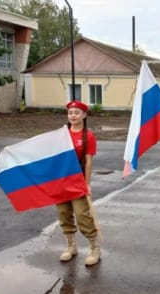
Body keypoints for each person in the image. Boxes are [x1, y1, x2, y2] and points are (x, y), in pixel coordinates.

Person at [56, 100, 101, 266]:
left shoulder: (88, 136)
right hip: (61, 181)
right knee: (63, 213)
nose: (73, 116)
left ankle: (94, 248)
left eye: (76, 113)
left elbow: (88, 162)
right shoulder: (61, 134)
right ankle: (71, 246)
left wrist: (87, 184)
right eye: (70, 113)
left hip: (78, 182)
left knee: (82, 215)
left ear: (84, 115)